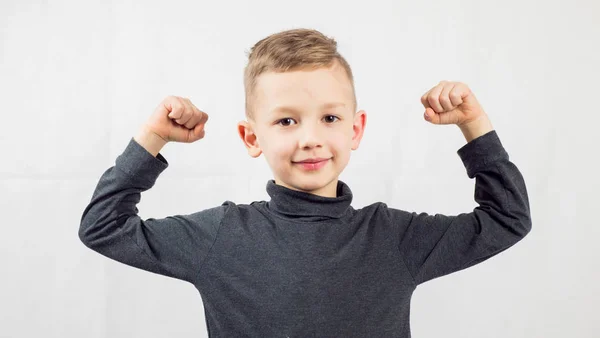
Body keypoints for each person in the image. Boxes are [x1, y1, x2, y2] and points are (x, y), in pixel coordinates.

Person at [79, 28, 532, 337]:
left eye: (330, 117)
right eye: (287, 120)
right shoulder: (221, 237)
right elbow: (102, 226)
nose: (311, 138)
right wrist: (153, 138)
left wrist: (474, 125)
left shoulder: (394, 238)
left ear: (355, 130)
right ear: (251, 137)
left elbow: (508, 219)